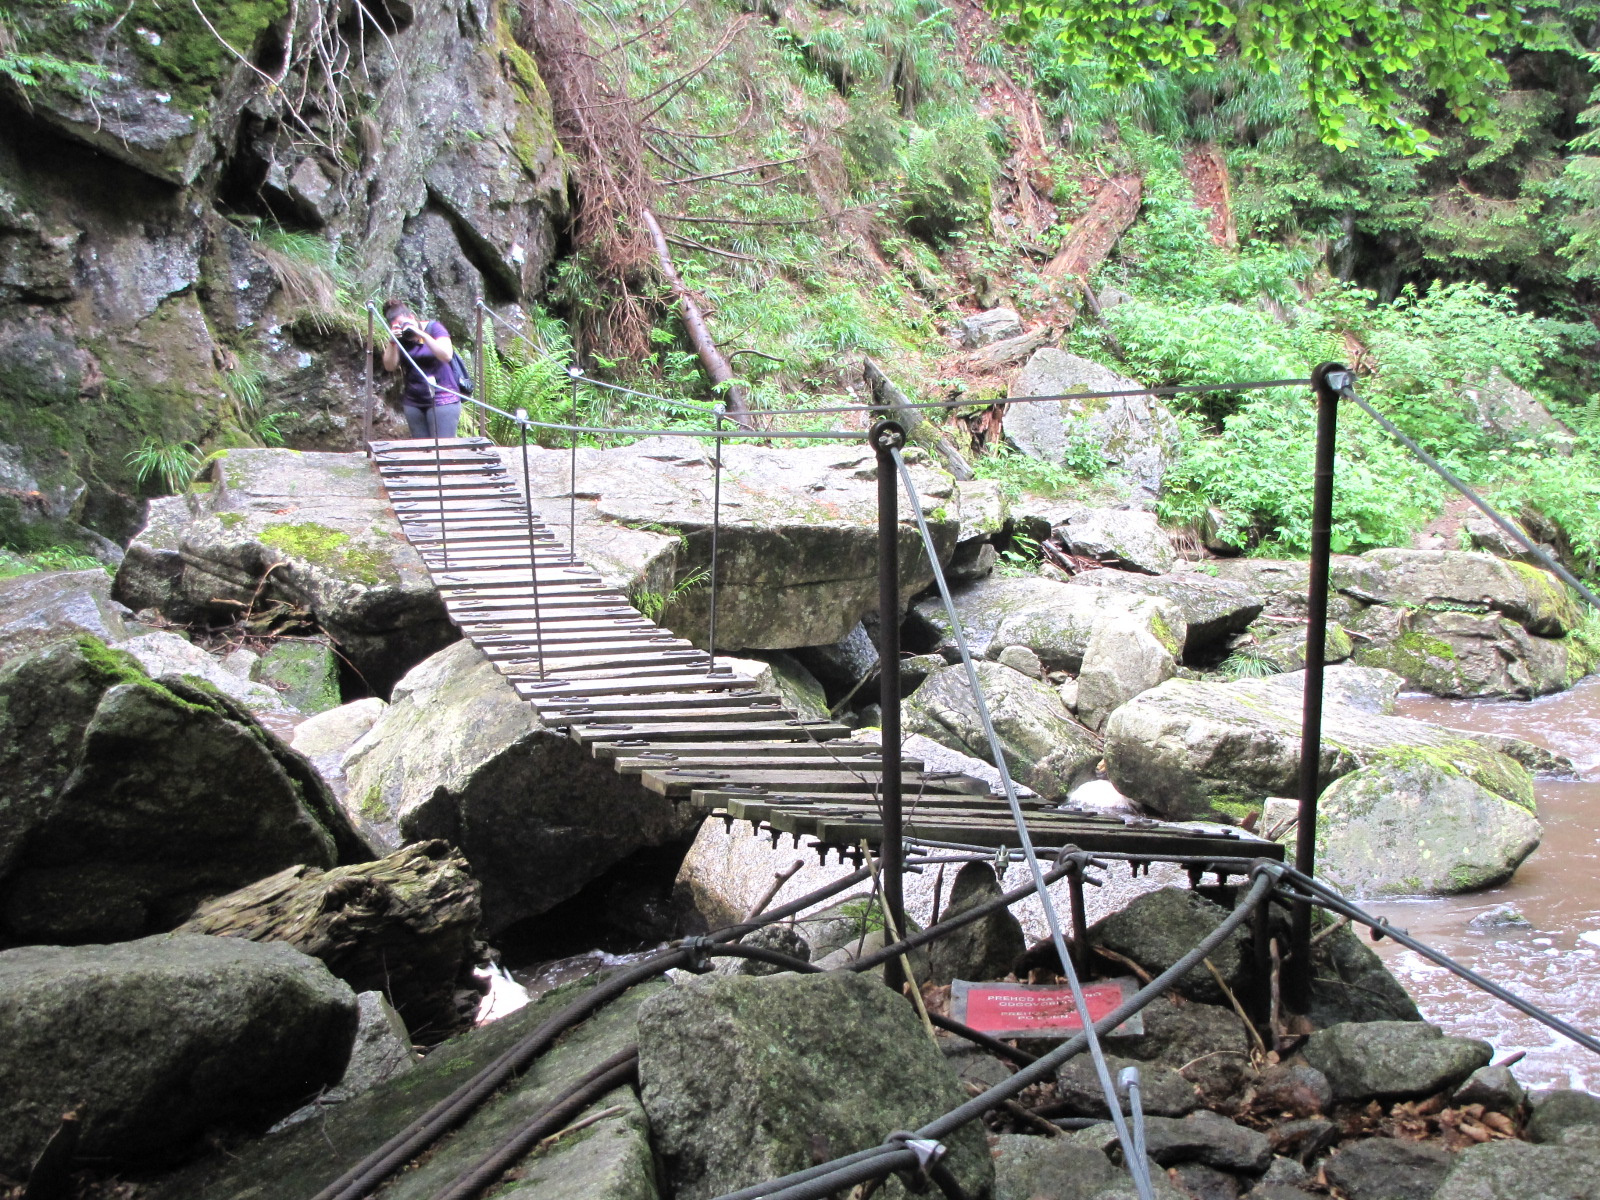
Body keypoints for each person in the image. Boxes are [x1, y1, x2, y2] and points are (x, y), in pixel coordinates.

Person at [380, 301, 461, 439]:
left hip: (443, 399)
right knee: (421, 450)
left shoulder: (434, 328)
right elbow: (389, 366)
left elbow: (446, 355)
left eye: (404, 323)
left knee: (443, 450)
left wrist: (421, 334)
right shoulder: (400, 339)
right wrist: (392, 341)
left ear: (412, 317)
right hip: (413, 402)